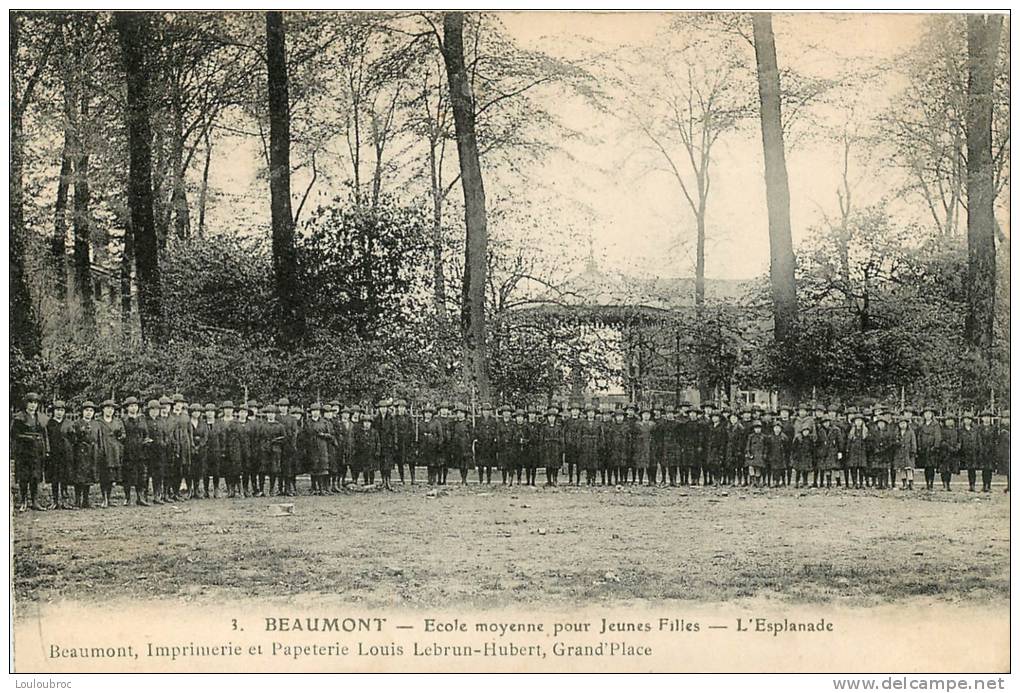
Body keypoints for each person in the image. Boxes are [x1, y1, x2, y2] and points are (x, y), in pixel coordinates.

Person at [11, 392, 49, 511]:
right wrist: (28, 438)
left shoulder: (40, 418)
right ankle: (23, 501)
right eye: (30, 402)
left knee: (35, 476)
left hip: (37, 451)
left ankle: (35, 501)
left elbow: (45, 435)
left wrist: (46, 450)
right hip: (24, 451)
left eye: (35, 403)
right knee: (24, 477)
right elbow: (14, 435)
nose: (33, 405)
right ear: (26, 403)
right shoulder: (19, 417)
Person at [121, 396, 151, 506]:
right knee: (128, 475)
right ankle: (127, 498)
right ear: (127, 408)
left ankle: (140, 497)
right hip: (128, 450)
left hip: (141, 451)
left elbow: (146, 433)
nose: (134, 408)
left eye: (135, 406)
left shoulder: (142, 419)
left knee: (141, 475)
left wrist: (146, 440)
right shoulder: (123, 420)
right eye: (131, 406)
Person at [95, 399, 125, 508]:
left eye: (112, 409)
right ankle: (104, 498)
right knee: (104, 476)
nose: (110, 411)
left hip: (115, 451)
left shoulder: (118, 422)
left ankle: (109, 497)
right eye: (107, 408)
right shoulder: (98, 422)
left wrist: (120, 436)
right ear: (103, 409)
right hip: (103, 450)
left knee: (112, 476)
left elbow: (123, 435)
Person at [69, 401, 100, 509]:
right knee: (79, 476)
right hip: (80, 452)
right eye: (86, 410)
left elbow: (98, 438)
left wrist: (98, 450)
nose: (88, 413)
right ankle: (77, 500)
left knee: (88, 476)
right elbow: (73, 439)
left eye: (91, 411)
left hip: (92, 452)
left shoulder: (96, 424)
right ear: (82, 411)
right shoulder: (77, 423)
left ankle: (86, 501)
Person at [45, 400, 73, 509]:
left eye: (61, 410)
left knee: (64, 477)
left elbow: (73, 439)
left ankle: (65, 501)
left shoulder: (68, 423)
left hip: (65, 454)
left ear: (64, 412)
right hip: (53, 454)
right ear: (53, 411)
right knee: (54, 478)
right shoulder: (49, 424)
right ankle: (55, 500)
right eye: (57, 410)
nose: (59, 413)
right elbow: (47, 438)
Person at [305, 403, 333, 494]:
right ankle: (313, 488)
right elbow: (304, 435)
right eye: (313, 411)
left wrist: (323, 435)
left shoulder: (324, 422)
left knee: (322, 468)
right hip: (311, 447)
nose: (315, 413)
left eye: (317, 411)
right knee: (313, 467)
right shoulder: (308, 422)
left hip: (322, 447)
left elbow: (330, 435)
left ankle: (322, 488)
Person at [261, 404, 286, 495]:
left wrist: (276, 442)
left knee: (274, 470)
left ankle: (272, 489)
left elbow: (284, 438)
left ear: (275, 414)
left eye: (272, 413)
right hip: (264, 449)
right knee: (263, 470)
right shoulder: (262, 425)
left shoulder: (280, 426)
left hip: (276, 450)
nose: (270, 415)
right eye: (268, 413)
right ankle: (261, 490)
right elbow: (259, 437)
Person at [916, 405, 943, 491]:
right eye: (926, 414)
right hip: (924, 449)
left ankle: (931, 483)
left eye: (929, 413)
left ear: (932, 415)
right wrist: (919, 446)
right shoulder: (922, 425)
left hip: (932, 449)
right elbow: (919, 437)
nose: (927, 415)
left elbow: (938, 437)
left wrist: (935, 446)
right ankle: (927, 482)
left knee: (931, 467)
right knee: (926, 467)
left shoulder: (936, 425)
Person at [540, 405, 565, 486]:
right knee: (548, 464)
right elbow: (541, 437)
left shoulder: (559, 427)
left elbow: (561, 437)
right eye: (549, 416)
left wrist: (562, 447)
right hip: (547, 447)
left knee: (555, 464)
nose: (551, 418)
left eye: (553, 416)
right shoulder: (544, 426)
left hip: (556, 447)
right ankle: (548, 480)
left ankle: (555, 479)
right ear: (547, 418)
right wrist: (542, 446)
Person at [450, 405, 474, 485]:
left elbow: (472, 434)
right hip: (457, 445)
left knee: (465, 462)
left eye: (461, 413)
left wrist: (469, 441)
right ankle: (462, 478)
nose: (459, 414)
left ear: (465, 414)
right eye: (458, 413)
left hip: (466, 445)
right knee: (460, 462)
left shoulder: (468, 423)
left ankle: (465, 478)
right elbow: (452, 433)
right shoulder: (454, 423)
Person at [392, 399, 415, 486]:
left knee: (411, 461)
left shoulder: (409, 417)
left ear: (405, 408)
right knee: (400, 461)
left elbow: (412, 429)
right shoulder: (395, 418)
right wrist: (396, 442)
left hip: (408, 442)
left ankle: (413, 479)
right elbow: (394, 430)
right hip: (399, 442)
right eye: (400, 407)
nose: (401, 409)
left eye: (403, 407)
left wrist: (412, 441)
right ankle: (402, 479)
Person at [844, 410, 868, 490]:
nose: (858, 422)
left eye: (860, 421)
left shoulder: (865, 431)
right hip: (853, 452)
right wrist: (847, 449)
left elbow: (868, 441)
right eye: (857, 421)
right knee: (853, 468)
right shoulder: (851, 431)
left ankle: (861, 483)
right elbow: (848, 441)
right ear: (854, 422)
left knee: (861, 468)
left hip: (862, 451)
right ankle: (854, 483)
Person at [578, 405, 602, 486]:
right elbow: (579, 435)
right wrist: (580, 444)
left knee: (594, 462)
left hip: (595, 444)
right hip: (586, 444)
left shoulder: (598, 423)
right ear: (587, 414)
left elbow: (601, 435)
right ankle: (588, 478)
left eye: (592, 412)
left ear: (595, 414)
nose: (591, 414)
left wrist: (600, 445)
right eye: (589, 412)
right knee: (587, 462)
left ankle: (593, 479)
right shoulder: (582, 423)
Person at [475, 403, 498, 485]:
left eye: (487, 410)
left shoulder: (493, 421)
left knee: (489, 464)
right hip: (481, 444)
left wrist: (492, 438)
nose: (486, 412)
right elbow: (476, 431)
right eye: (484, 410)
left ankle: (488, 480)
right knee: (481, 464)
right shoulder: (478, 421)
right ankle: (481, 480)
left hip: (490, 444)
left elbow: (495, 431)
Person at [703, 408, 727, 487]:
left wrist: (721, 450)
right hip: (710, 449)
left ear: (719, 418)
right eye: (713, 417)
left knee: (718, 465)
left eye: (716, 417)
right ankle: (714, 480)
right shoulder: (710, 427)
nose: (714, 418)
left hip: (718, 448)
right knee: (711, 465)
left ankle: (718, 480)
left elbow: (723, 440)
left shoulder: (722, 428)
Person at [893, 415, 917, 490]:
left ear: (907, 424)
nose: (902, 425)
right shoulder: (897, 433)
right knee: (902, 469)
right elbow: (894, 442)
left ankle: (911, 483)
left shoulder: (910, 432)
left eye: (904, 423)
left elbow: (913, 442)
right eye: (901, 423)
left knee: (909, 469)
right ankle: (904, 483)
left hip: (908, 453)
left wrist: (913, 451)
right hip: (900, 453)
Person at [869, 415, 893, 490]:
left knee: (885, 470)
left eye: (882, 423)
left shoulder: (888, 433)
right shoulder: (874, 433)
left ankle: (885, 484)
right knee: (878, 470)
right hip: (877, 453)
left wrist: (885, 448)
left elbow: (890, 443)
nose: (881, 425)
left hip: (885, 453)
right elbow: (871, 442)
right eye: (879, 423)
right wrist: (876, 449)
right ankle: (879, 484)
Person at [632, 406, 654, 486]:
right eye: (644, 414)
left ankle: (650, 480)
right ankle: (640, 480)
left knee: (649, 463)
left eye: (648, 414)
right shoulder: (637, 425)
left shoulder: (653, 425)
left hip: (649, 445)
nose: (646, 416)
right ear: (641, 416)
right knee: (640, 463)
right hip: (640, 445)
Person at [958, 412, 980, 492]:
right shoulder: (961, 430)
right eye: (965, 419)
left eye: (969, 419)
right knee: (968, 468)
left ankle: (972, 485)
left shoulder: (975, 430)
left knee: (972, 469)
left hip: (973, 451)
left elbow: (978, 440)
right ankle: (970, 484)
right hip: (965, 452)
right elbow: (959, 441)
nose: (967, 421)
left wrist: (978, 449)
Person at [939, 413, 960, 491]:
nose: (949, 422)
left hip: (953, 453)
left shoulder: (956, 430)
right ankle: (944, 484)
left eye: (951, 420)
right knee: (944, 470)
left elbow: (959, 440)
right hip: (944, 453)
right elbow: (941, 441)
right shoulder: (942, 430)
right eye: (948, 420)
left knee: (950, 469)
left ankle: (948, 484)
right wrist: (948, 447)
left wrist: (957, 447)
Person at [563, 402, 583, 486]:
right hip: (570, 445)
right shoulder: (567, 421)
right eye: (573, 410)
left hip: (579, 444)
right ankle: (570, 479)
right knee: (570, 463)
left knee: (579, 463)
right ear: (571, 411)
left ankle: (578, 480)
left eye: (576, 410)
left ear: (579, 412)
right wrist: (568, 441)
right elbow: (565, 432)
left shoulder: (582, 421)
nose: (575, 412)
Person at [977, 412, 996, 493]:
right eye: (985, 417)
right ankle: (984, 485)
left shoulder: (994, 428)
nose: (986, 419)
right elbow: (978, 439)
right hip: (982, 450)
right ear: (982, 419)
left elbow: (995, 439)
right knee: (984, 468)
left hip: (991, 450)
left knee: (990, 468)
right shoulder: (979, 428)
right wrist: (981, 448)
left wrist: (992, 448)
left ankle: (989, 485)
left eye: (988, 417)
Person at [745, 420, 767, 487]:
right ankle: (752, 481)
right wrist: (748, 453)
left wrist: (764, 454)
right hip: (752, 454)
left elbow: (765, 446)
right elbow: (748, 446)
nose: (757, 430)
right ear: (754, 429)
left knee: (758, 468)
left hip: (759, 455)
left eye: (759, 428)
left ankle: (757, 482)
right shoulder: (751, 436)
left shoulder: (763, 437)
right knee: (751, 467)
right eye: (756, 428)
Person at [765, 421, 788, 487]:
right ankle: (772, 481)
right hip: (772, 455)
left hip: (781, 455)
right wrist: (767, 454)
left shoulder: (784, 437)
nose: (777, 429)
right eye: (775, 428)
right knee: (773, 469)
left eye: (778, 428)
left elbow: (787, 447)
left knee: (781, 469)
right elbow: (767, 447)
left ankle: (782, 481)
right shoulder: (770, 437)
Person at [997, 410, 1010, 493]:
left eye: (1007, 418)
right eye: (1004, 418)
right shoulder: (1001, 428)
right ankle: (1009, 485)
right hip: (1005, 451)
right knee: (1008, 469)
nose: (1005, 420)